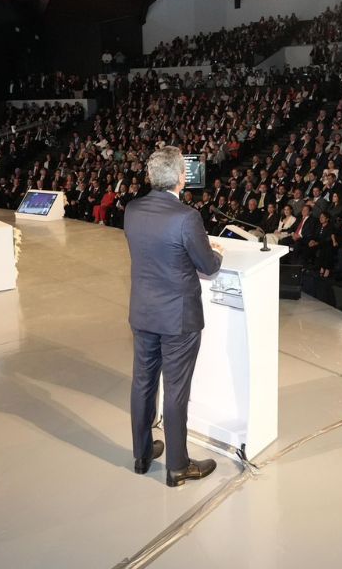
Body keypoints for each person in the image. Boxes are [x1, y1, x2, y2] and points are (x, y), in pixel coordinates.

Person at [123, 146, 224, 487]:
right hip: (178, 319)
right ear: (182, 177)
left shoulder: (133, 210)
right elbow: (207, 266)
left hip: (143, 312)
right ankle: (178, 466)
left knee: (143, 383)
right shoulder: (186, 217)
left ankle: (141, 454)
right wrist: (218, 254)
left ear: (150, 177)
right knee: (176, 390)